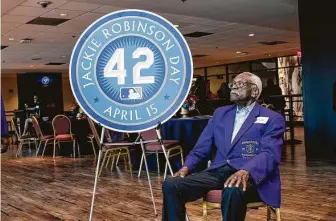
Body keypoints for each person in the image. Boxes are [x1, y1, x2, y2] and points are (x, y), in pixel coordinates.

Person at [162, 72, 285, 221]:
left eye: (240, 84)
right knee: (171, 184)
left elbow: (270, 153)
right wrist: (187, 167)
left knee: (232, 189)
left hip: (252, 175)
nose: (233, 87)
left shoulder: (272, 118)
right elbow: (202, 147)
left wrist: (247, 170)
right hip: (218, 172)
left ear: (254, 91)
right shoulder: (220, 113)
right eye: (232, 84)